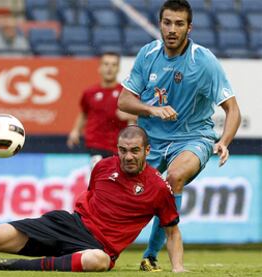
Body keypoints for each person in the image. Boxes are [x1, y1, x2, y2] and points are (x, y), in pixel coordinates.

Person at [0, 125, 185, 273]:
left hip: (100, 247)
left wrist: (178, 268)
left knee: (99, 261)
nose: (127, 156)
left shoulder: (159, 188)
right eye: (123, 150)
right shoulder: (104, 166)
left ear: (147, 151)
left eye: (134, 151)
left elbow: (172, 231)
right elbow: (91, 196)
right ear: (117, 148)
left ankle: (12, 267)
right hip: (68, 224)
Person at [117, 0, 241, 272]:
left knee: (173, 179)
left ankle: (150, 255)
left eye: (179, 24)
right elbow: (123, 101)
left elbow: (232, 110)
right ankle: (95, 245)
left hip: (193, 138)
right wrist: (152, 109)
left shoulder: (203, 61)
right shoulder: (147, 54)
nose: (172, 29)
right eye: (167, 22)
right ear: (160, 24)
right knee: (121, 195)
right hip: (150, 142)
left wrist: (224, 141)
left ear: (189, 27)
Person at [67, 52, 137, 167]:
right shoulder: (90, 92)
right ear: (99, 68)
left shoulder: (125, 93)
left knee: (114, 181)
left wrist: (129, 116)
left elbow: (144, 115)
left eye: (113, 65)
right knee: (99, 172)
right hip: (95, 143)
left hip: (119, 146)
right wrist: (75, 131)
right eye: (106, 64)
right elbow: (84, 113)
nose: (109, 68)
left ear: (118, 68)